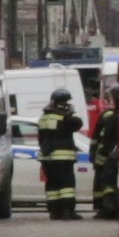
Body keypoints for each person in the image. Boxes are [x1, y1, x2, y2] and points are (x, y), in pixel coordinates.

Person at [36, 87, 84, 219]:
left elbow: (42, 137)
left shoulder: (44, 117)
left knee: (52, 184)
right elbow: (78, 124)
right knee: (66, 185)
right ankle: (68, 211)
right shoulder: (64, 117)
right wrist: (70, 113)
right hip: (63, 158)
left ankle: (54, 212)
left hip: (46, 158)